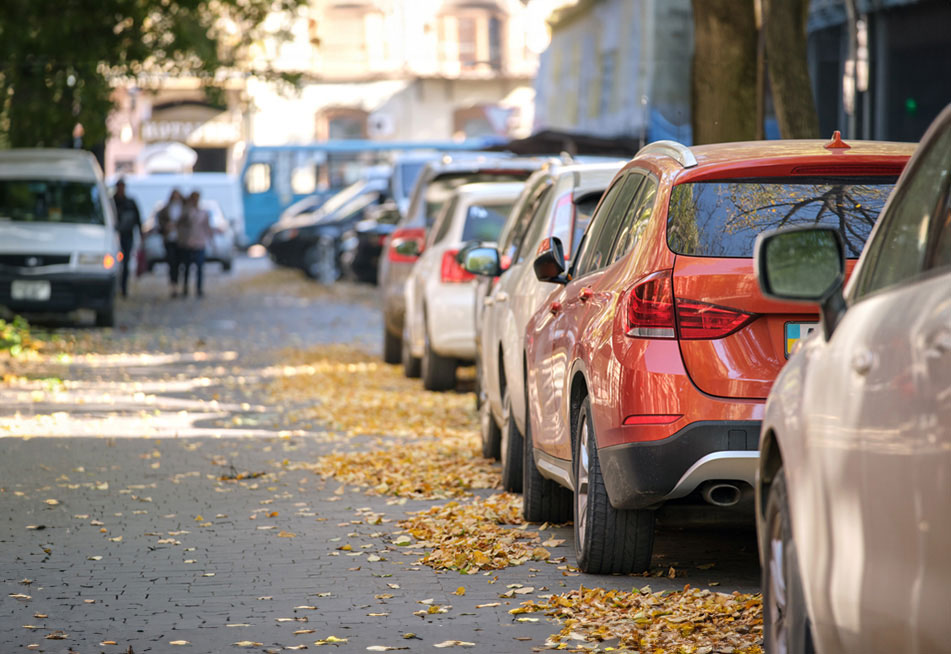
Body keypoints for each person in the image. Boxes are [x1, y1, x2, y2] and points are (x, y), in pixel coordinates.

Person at [178, 191, 213, 298]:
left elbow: (207, 227)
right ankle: (185, 288)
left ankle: (199, 288)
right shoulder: (187, 211)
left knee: (200, 267)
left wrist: (211, 239)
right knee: (187, 267)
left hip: (200, 242)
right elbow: (180, 223)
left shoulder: (203, 212)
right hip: (188, 242)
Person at [113, 179, 141, 298]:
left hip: (127, 235)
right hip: (114, 235)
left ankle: (123, 287)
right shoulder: (112, 201)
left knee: (126, 262)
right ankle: (116, 286)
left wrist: (140, 232)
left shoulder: (130, 202)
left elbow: (138, 218)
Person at [156, 189, 185, 298]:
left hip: (180, 240)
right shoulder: (166, 209)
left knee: (179, 263)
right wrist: (166, 227)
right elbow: (160, 220)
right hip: (169, 239)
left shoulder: (183, 209)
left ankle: (179, 284)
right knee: (172, 262)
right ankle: (173, 285)